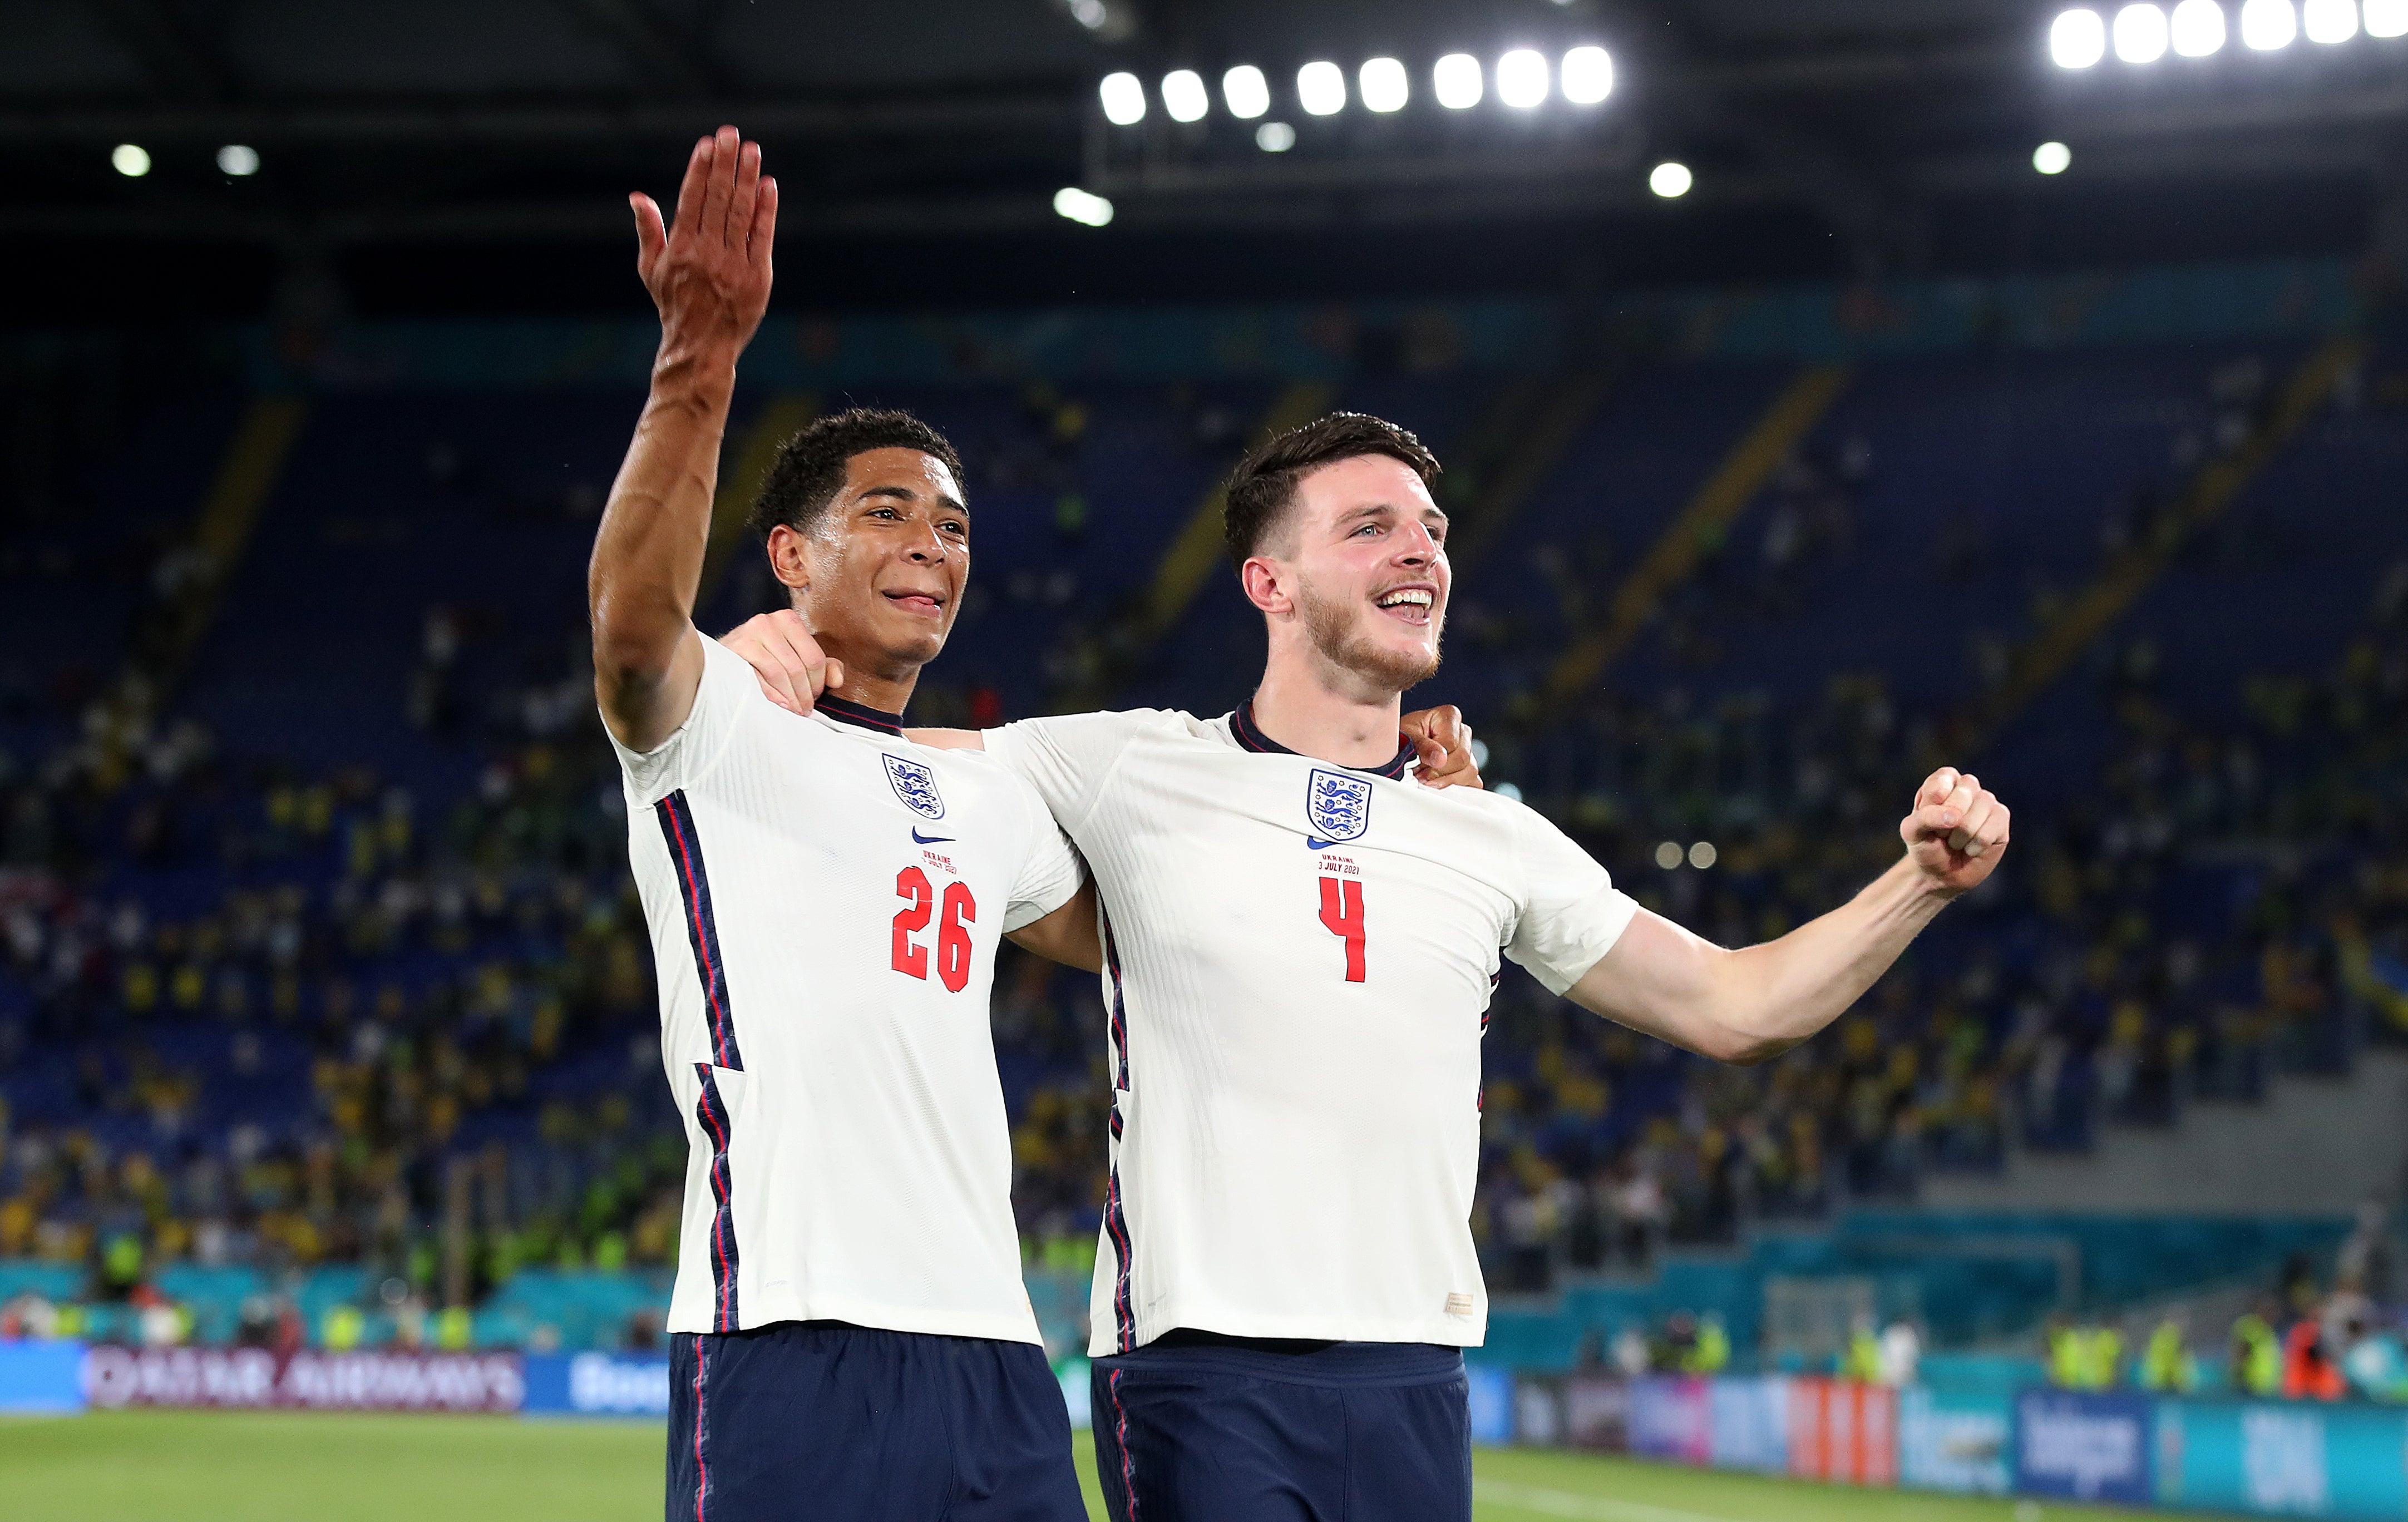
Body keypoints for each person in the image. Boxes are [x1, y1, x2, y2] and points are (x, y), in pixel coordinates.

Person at [727, 411, 2011, 1521]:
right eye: (1370, 527)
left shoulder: (1491, 832)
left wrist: (1919, 884)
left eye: (1434, 529)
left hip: (1416, 1374)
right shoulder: (1126, 766)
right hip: (1198, 1369)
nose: (1421, 549)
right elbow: (878, 766)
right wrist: (747, 664)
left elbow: (1740, 1006)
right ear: (1267, 584)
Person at [590, 126, 1105, 1522]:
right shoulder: (721, 727)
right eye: (888, 514)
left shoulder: (989, 797)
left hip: (998, 1360)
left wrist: (1379, 795)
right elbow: (634, 633)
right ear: (790, 557)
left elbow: (1166, 936)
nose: (934, 547)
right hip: (788, 1337)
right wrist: (699, 365)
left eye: (952, 529)